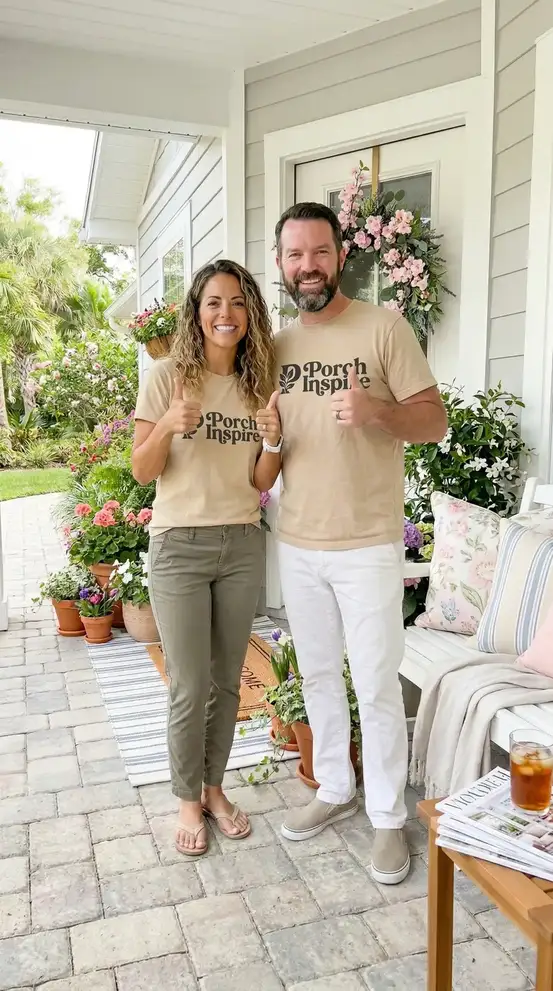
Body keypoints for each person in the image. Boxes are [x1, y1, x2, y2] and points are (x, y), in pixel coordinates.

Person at [270, 202, 447, 884]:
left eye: (318, 251)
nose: (307, 265)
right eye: (294, 255)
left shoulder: (383, 327)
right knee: (317, 673)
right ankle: (335, 789)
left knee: (374, 683)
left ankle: (385, 818)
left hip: (368, 540)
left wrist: (378, 410)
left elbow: (432, 421)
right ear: (281, 263)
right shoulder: (279, 345)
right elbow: (272, 439)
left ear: (340, 255)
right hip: (298, 540)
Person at [132, 259, 281, 857]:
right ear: (197, 312)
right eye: (214, 302)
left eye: (238, 303)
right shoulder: (167, 376)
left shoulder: (255, 384)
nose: (227, 314)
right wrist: (167, 423)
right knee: (189, 685)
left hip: (242, 543)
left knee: (225, 680)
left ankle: (215, 788)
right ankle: (187, 799)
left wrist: (272, 437)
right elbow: (142, 471)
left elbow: (261, 479)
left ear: (251, 314)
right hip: (180, 548)